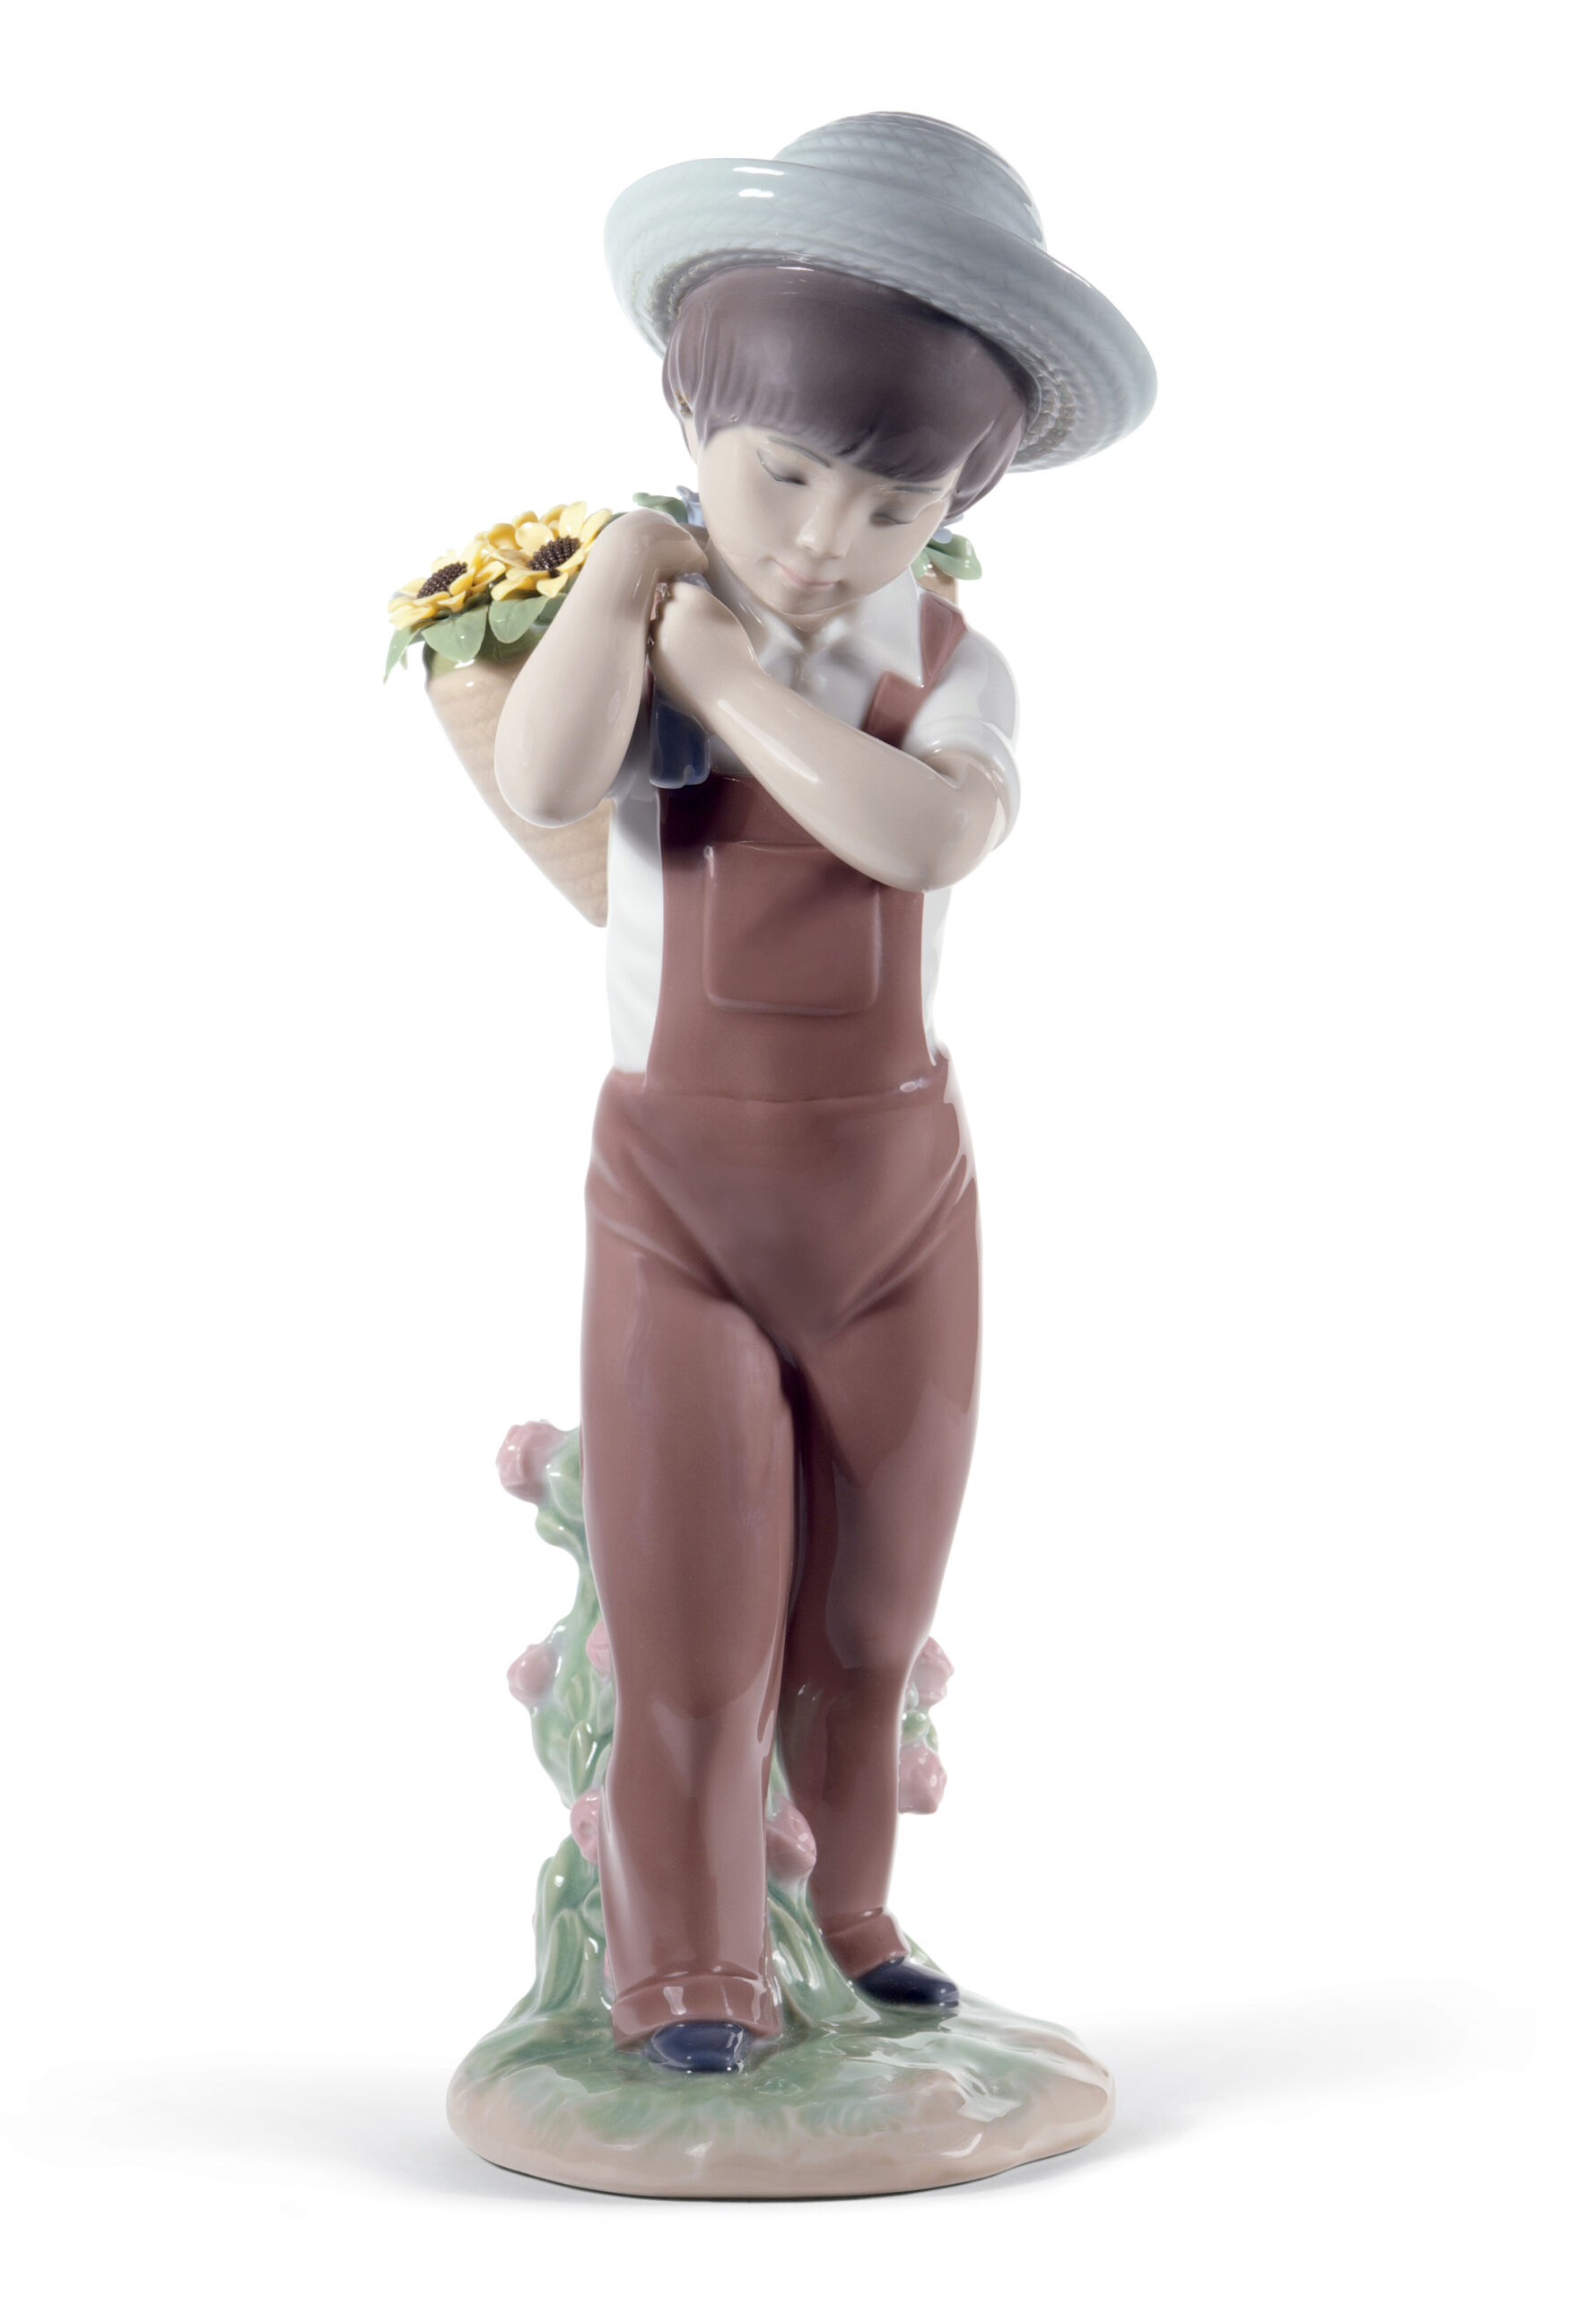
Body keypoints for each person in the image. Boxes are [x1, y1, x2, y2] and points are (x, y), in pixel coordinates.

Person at [493, 114, 1155, 2074]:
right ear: (692, 422)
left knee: (870, 1620)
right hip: (675, 1199)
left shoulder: (949, 666)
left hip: (897, 1202)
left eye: (886, 501)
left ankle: (848, 1908)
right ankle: (682, 1960)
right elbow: (546, 779)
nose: (817, 537)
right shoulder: (628, 619)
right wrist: (631, 588)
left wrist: (732, 678)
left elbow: (925, 836)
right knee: (692, 1625)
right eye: (780, 474)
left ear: (958, 496)